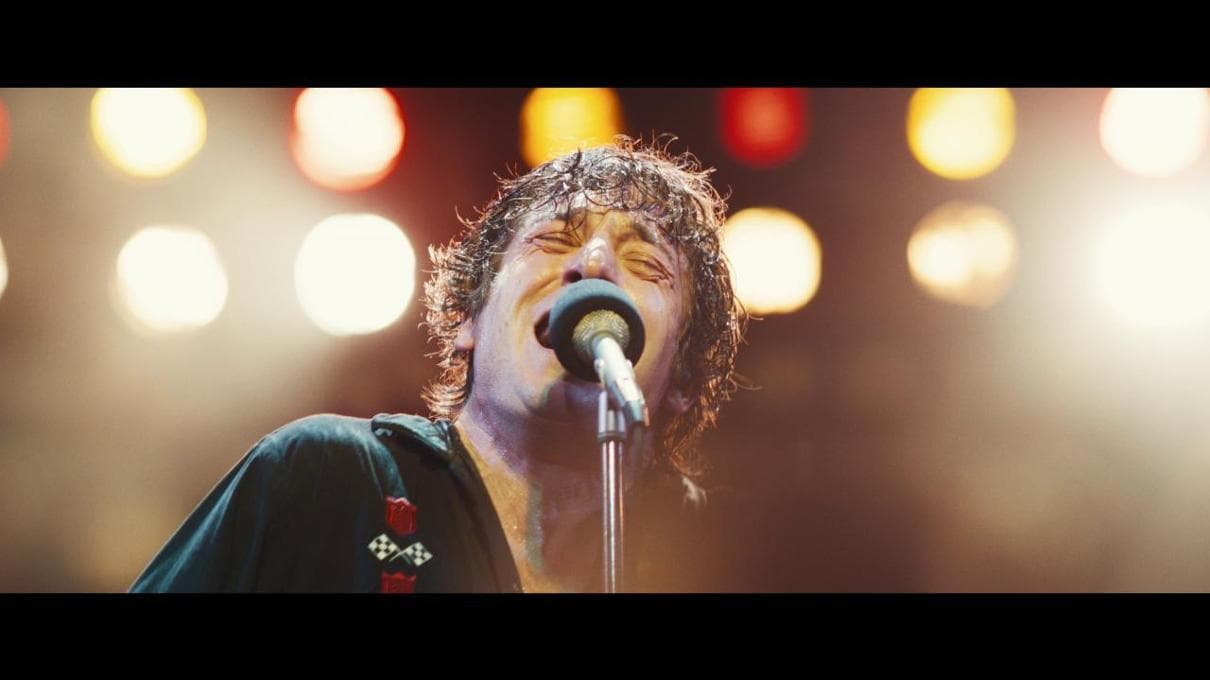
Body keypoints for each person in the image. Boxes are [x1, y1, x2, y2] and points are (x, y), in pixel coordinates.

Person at [129, 136, 747, 593]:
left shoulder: (709, 555)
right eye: (553, 239)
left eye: (647, 265)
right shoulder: (326, 477)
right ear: (467, 320)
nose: (593, 264)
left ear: (684, 377)